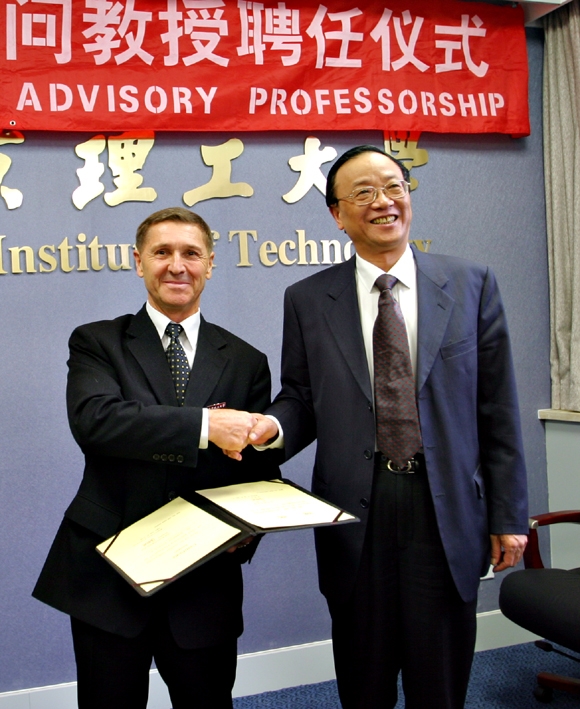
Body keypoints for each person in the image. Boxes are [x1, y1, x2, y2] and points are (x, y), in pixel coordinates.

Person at [229, 145, 529, 708]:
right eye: (363, 192)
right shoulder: (308, 299)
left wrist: (508, 514)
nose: (383, 201)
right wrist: (271, 426)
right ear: (337, 215)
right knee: (363, 681)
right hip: (354, 512)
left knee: (439, 684)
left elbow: (498, 407)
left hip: (445, 510)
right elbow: (302, 397)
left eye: (394, 187)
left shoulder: (471, 284)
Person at [33, 207, 279, 709]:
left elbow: (255, 468)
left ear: (210, 264)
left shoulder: (247, 360)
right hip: (111, 573)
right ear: (138, 261)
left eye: (191, 253)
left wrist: (247, 533)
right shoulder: (97, 341)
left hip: (204, 579)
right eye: (162, 252)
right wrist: (208, 427)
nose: (177, 265)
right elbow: (97, 422)